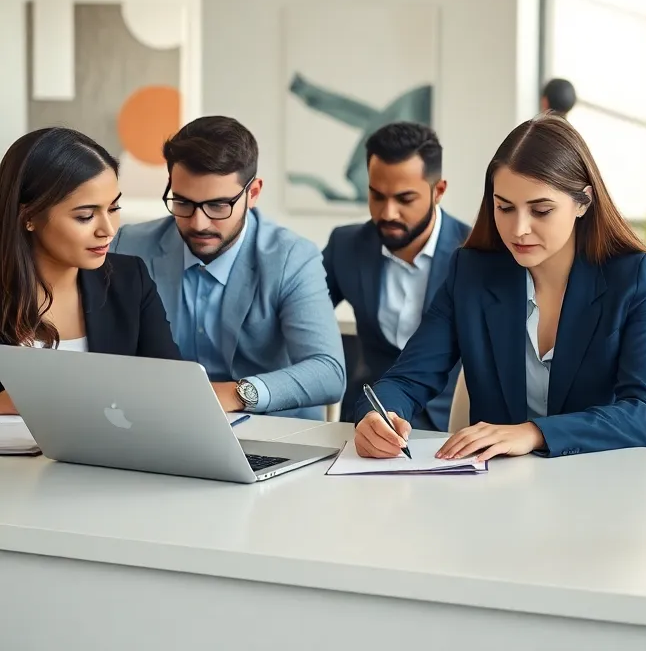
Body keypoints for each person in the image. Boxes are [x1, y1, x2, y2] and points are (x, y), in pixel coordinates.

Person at [353, 113, 646, 460]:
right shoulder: (472, 274)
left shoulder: (635, 276)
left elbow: (643, 414)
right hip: (512, 488)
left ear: (583, 201)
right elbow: (406, 381)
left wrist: (535, 433)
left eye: (541, 210)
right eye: (504, 208)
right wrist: (378, 416)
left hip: (623, 479)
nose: (518, 229)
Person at [111, 116, 345, 420]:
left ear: (254, 193)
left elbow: (328, 372)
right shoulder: (129, 245)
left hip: (272, 433)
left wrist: (235, 393)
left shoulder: (292, 257)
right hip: (161, 426)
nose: (199, 223)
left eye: (218, 205)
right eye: (183, 203)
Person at [0, 128, 180, 415]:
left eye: (113, 208)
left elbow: (174, 389)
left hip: (109, 458)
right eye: (85, 216)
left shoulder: (130, 280)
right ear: (29, 216)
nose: (108, 230)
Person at [324, 122, 472, 430]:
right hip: (368, 419)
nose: (388, 213)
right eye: (377, 196)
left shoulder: (473, 255)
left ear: (438, 191)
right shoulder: (346, 246)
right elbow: (301, 315)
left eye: (405, 199)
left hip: (452, 429)